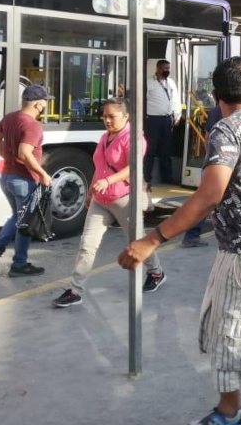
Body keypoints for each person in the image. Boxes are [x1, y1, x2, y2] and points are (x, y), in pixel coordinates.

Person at [118, 57, 241, 425]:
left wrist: (152, 239)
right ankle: (228, 411)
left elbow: (209, 194)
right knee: (222, 331)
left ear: (216, 95)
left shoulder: (226, 130)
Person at [52, 98, 165, 308]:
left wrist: (107, 181)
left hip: (125, 198)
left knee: (138, 242)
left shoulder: (134, 139)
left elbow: (132, 168)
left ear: (126, 116)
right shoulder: (104, 137)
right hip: (101, 200)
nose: (107, 120)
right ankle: (75, 290)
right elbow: (100, 166)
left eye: (111, 116)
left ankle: (156, 272)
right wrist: (91, 192)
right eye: (104, 116)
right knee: (87, 245)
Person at [0, 85, 52, 277]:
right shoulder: (33, 125)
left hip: (6, 177)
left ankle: (9, 256)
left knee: (18, 217)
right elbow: (25, 152)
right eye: (45, 102)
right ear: (38, 104)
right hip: (23, 180)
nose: (45, 105)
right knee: (23, 222)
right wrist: (43, 174)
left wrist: (7, 157)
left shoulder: (10, 118)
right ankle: (14, 261)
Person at [182, 104, 224, 249]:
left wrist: (209, 158)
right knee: (207, 203)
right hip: (223, 167)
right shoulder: (240, 112)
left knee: (206, 202)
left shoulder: (215, 111)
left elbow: (206, 138)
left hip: (212, 163)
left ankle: (191, 235)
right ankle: (191, 235)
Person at [145, 59, 182, 187]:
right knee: (150, 150)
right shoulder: (149, 82)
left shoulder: (170, 82)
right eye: (165, 68)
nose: (167, 71)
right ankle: (146, 177)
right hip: (153, 119)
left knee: (166, 150)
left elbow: (175, 99)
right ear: (158, 69)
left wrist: (177, 115)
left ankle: (167, 178)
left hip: (167, 119)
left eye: (168, 68)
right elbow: (142, 101)